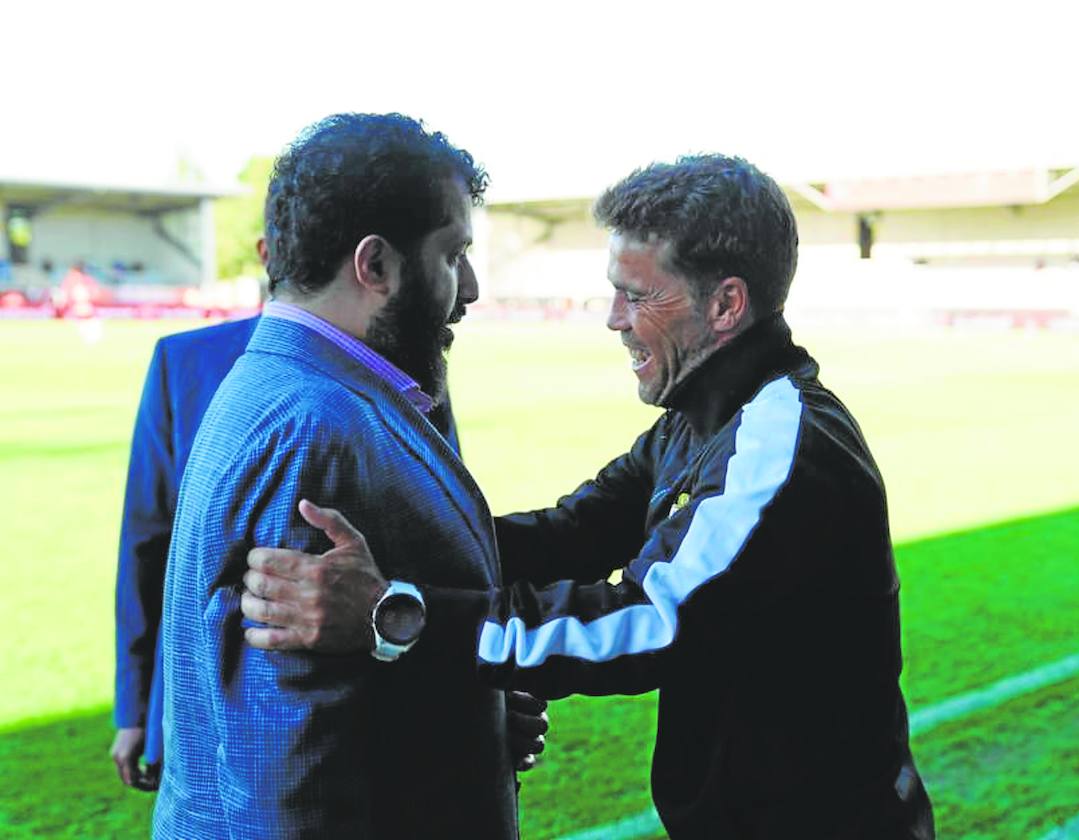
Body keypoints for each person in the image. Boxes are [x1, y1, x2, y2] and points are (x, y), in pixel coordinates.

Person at [242, 154, 937, 838]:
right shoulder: (697, 423)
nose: (614, 319)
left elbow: (647, 622)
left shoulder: (784, 444)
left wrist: (399, 615)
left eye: (637, 295)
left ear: (726, 304)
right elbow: (570, 534)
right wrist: (392, 549)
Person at [154, 113, 528, 839]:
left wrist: (467, 707)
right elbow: (287, 770)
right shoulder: (313, 426)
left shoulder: (297, 388)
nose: (473, 287)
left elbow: (348, 675)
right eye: (455, 254)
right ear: (376, 265)